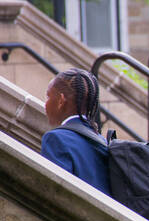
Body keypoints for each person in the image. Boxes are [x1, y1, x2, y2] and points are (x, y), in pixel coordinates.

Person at [41, 68, 110, 196]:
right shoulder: (102, 140)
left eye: (48, 96)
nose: (45, 104)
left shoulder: (55, 139)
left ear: (61, 101)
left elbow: (53, 193)